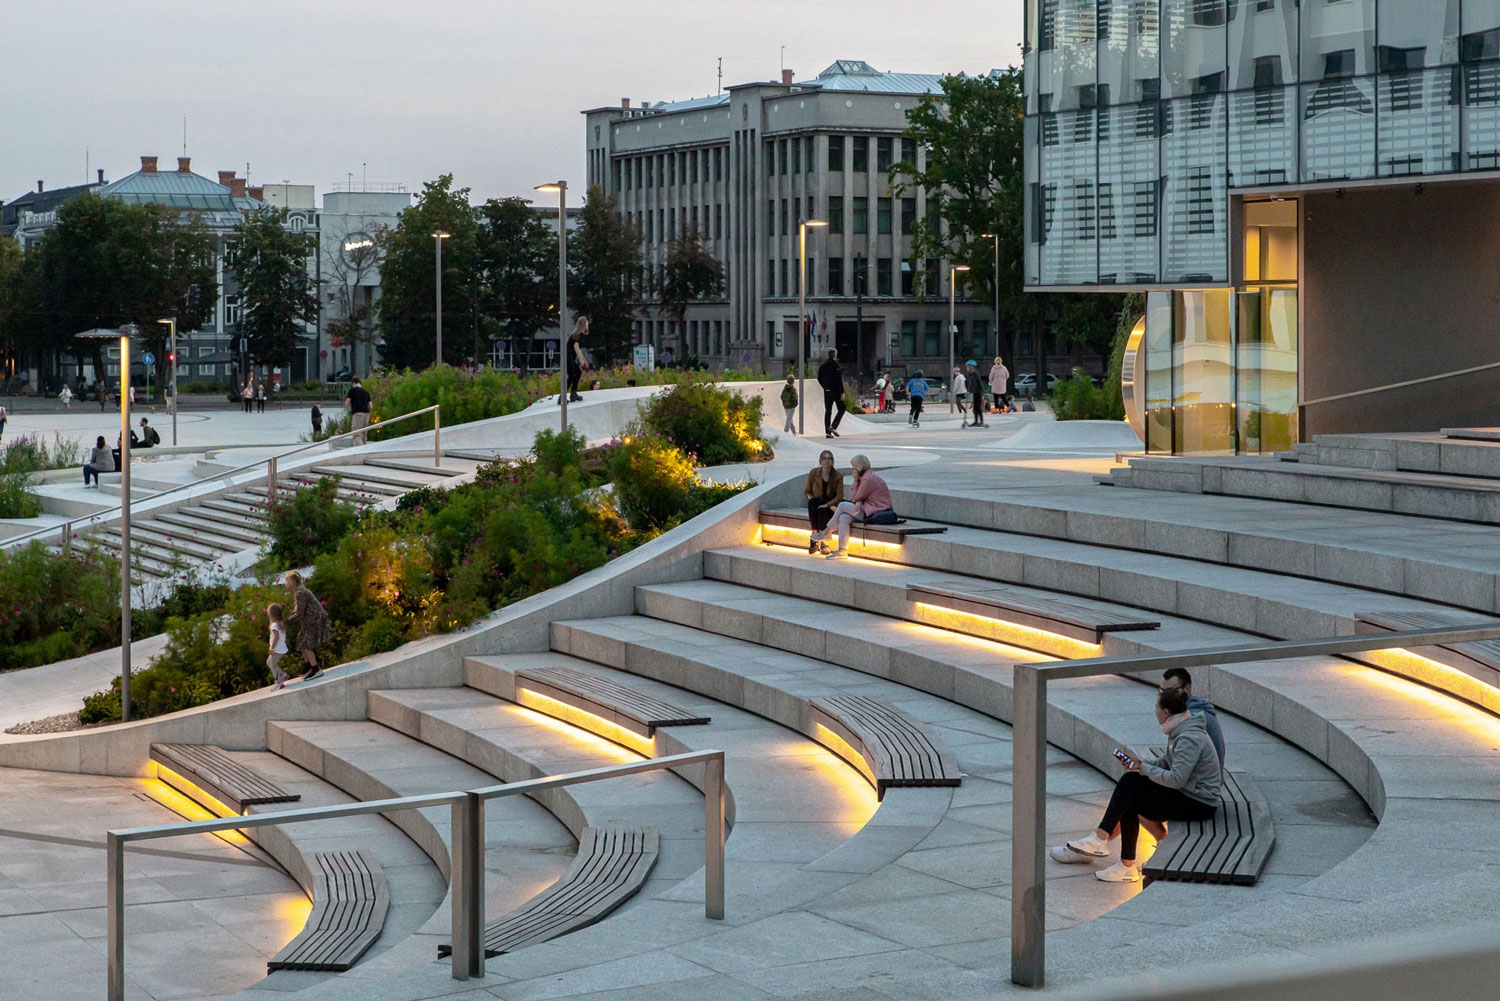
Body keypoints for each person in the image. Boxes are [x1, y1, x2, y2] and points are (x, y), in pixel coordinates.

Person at [1049, 686, 1222, 882]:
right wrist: (1141, 764)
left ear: (1166, 712)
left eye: (1156, 707)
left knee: (1131, 785)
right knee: (1130, 789)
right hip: (1189, 793)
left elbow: (1176, 779)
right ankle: (1124, 863)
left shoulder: (1188, 737)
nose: (1154, 710)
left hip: (1199, 803)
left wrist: (1144, 770)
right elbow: (1168, 761)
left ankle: (1101, 840)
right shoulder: (1181, 728)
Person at [814, 454, 897, 560]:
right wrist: (858, 501)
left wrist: (855, 481)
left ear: (859, 467)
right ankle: (842, 551)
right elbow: (859, 498)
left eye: (854, 467)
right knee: (843, 517)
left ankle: (827, 531)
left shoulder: (867, 479)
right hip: (870, 509)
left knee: (842, 505)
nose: (852, 469)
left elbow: (856, 497)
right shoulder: (867, 476)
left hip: (875, 513)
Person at [1161, 668, 1226, 766]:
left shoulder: (1192, 718)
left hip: (1198, 780)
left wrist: (1146, 769)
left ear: (1187, 689)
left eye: (1170, 692)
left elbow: (1179, 775)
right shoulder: (1193, 712)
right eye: (1162, 691)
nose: (1163, 697)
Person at [284, 571, 331, 681]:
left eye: (287, 580)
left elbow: (300, 612)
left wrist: (286, 622)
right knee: (301, 641)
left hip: (314, 620)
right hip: (309, 621)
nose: (285, 583)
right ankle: (308, 666)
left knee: (306, 644)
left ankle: (316, 669)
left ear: (294, 581)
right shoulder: (299, 592)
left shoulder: (301, 592)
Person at [804, 449, 843, 554]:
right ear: (820, 461)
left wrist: (827, 504)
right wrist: (811, 499)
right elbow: (807, 491)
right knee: (813, 503)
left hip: (831, 504)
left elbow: (839, 497)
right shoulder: (814, 473)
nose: (827, 461)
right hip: (816, 503)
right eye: (824, 458)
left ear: (833, 461)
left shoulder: (838, 476)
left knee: (822, 510)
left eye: (829, 458)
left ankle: (818, 541)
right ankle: (816, 535)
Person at [817, 348, 845, 439]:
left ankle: (828, 433)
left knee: (828, 411)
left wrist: (825, 387)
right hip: (836, 391)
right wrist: (842, 392)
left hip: (827, 391)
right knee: (842, 408)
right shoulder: (836, 365)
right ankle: (833, 426)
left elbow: (819, 378)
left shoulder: (823, 366)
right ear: (835, 355)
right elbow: (839, 380)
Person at [266, 603, 291, 690]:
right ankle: (282, 674)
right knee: (269, 663)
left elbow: (276, 637)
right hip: (281, 649)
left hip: (277, 649)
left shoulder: (274, 625)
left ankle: (278, 682)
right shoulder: (281, 624)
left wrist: (272, 648)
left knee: (272, 665)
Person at [565, 317, 589, 403]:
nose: (587, 325)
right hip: (568, 358)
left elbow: (578, 348)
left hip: (569, 358)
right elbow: (576, 347)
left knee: (578, 373)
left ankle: (573, 393)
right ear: (584, 324)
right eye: (586, 323)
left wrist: (584, 360)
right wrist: (581, 361)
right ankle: (562, 396)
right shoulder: (578, 335)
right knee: (572, 376)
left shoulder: (576, 334)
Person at [344, 376, 372, 446]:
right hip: (366, 414)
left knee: (357, 434)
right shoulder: (366, 392)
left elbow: (347, 403)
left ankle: (359, 450)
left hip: (357, 413)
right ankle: (365, 449)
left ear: (353, 383)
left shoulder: (352, 391)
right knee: (364, 434)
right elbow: (371, 406)